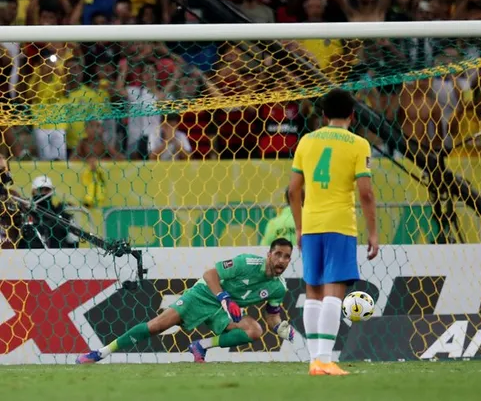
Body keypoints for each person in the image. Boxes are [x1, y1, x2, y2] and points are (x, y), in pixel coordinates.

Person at [76, 238, 295, 364]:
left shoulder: (278, 287)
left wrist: (280, 328)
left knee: (254, 330)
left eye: (287, 257)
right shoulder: (246, 262)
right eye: (278, 254)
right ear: (269, 254)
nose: (282, 260)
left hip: (224, 311)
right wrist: (224, 298)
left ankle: (201, 345)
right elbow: (210, 274)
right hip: (204, 295)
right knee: (157, 326)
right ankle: (100, 353)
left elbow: (272, 315)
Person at [288, 88, 379, 376]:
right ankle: (325, 360)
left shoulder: (306, 141)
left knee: (313, 293)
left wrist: (300, 227)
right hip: (340, 224)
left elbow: (292, 190)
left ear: (324, 115)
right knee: (333, 294)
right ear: (353, 115)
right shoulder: (359, 144)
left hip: (312, 225)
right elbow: (365, 194)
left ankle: (316, 360)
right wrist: (373, 233)